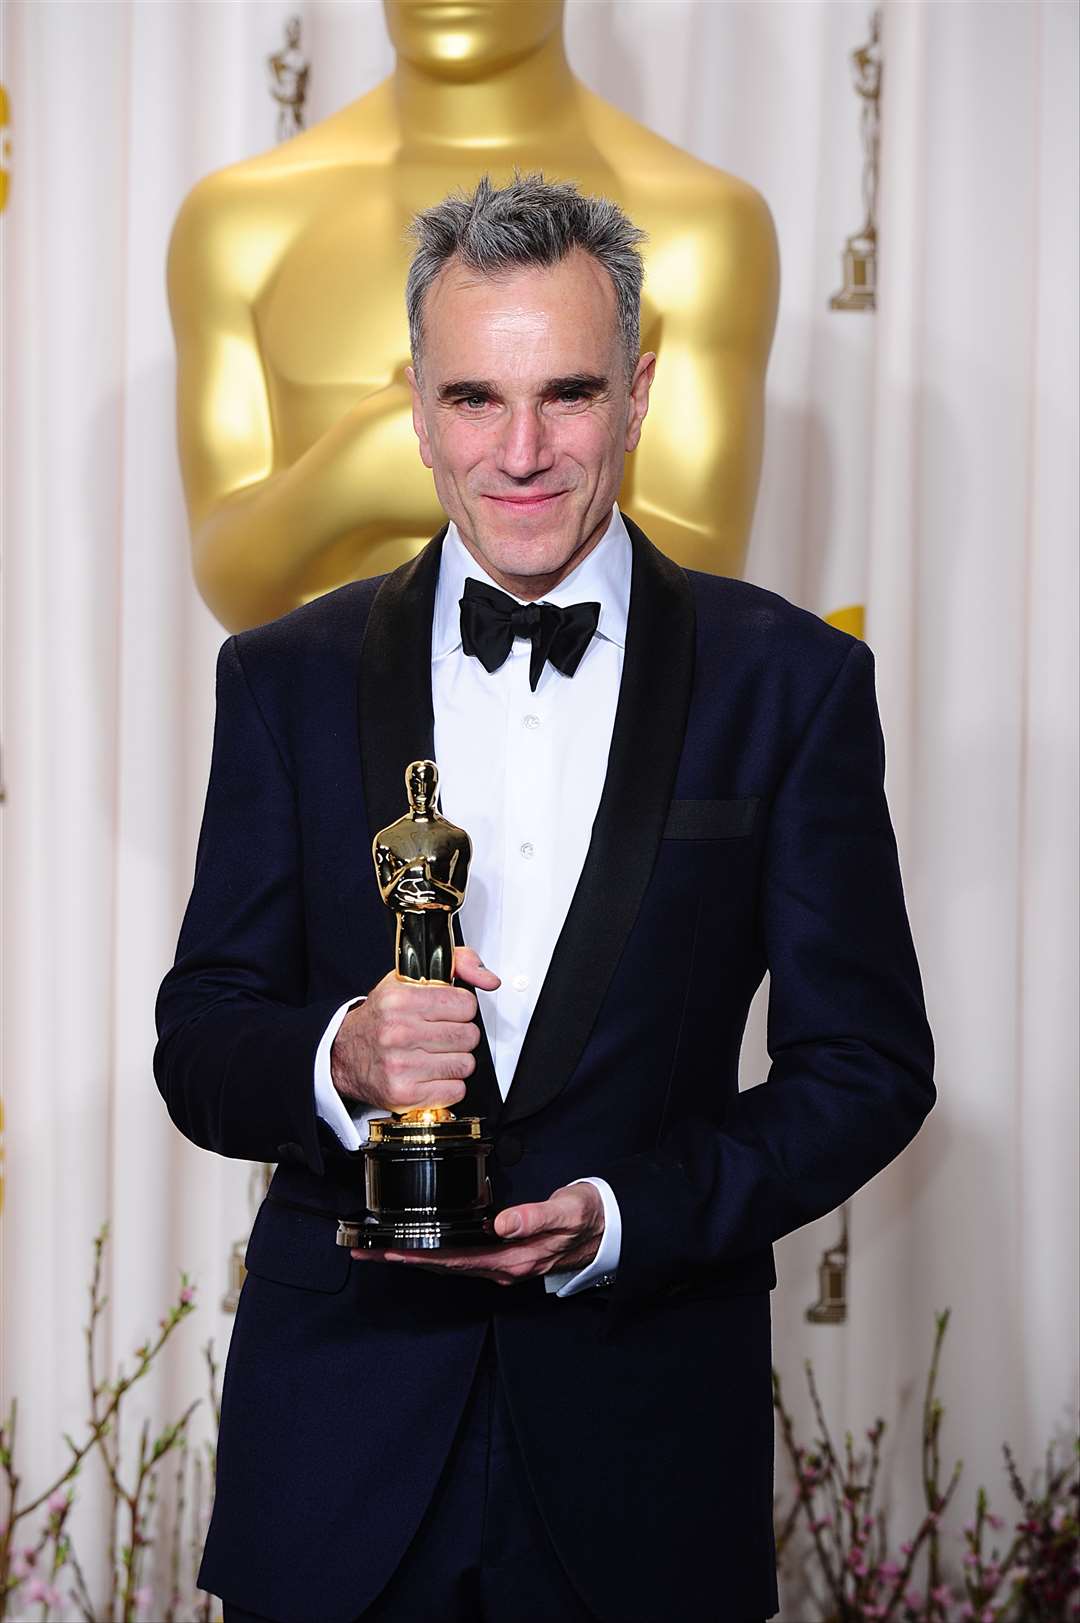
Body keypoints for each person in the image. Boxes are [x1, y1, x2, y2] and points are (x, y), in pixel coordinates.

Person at [155, 174, 935, 1623]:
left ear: (639, 393)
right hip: (337, 1455)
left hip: (644, 1449)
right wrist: (337, 1060)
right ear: (414, 404)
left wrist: (627, 1215)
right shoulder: (283, 677)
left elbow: (869, 1068)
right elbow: (199, 1038)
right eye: (473, 399)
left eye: (566, 395)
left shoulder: (793, 687)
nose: (519, 452)